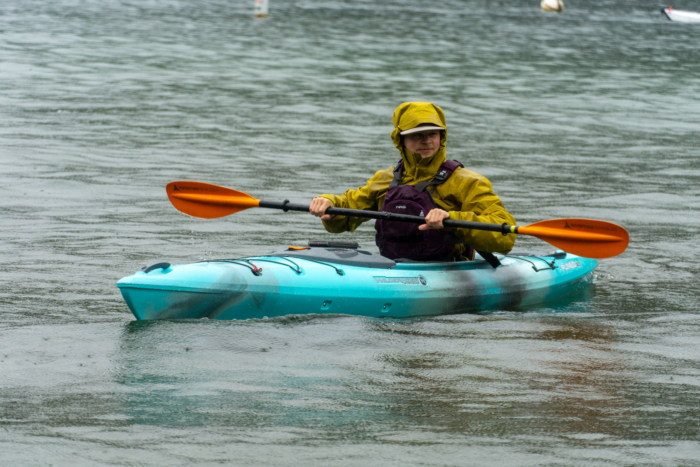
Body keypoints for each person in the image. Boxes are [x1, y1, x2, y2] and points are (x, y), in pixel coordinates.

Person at [309, 102, 516, 263]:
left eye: (432, 134)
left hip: (448, 268)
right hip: (394, 266)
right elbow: (351, 204)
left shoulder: (467, 182)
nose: (426, 141)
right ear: (400, 140)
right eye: (416, 136)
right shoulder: (387, 178)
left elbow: (505, 236)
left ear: (441, 137)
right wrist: (329, 204)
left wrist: (452, 217)